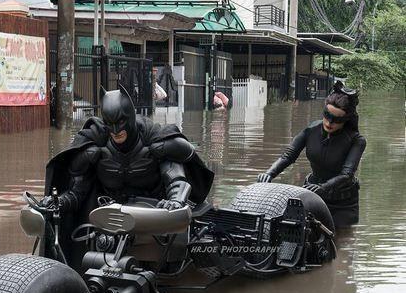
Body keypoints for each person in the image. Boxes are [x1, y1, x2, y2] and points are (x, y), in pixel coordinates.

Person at [41, 86, 214, 265]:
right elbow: (77, 193)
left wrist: (175, 202)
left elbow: (178, 181)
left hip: (154, 217)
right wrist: (58, 202)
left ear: (130, 117)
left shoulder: (154, 140)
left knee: (171, 264)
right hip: (110, 220)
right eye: (110, 123)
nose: (116, 130)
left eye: (120, 122)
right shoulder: (95, 147)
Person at [256, 82, 366, 228]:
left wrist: (324, 187)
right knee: (298, 233)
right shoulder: (311, 129)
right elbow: (288, 155)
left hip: (342, 203)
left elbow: (347, 174)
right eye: (327, 115)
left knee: (341, 242)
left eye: (337, 120)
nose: (330, 122)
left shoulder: (356, 140)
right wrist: (270, 173)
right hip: (312, 192)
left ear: (346, 120)